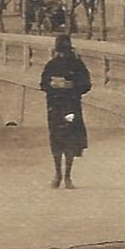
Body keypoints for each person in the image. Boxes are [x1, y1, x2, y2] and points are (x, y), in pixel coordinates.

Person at [39, 33, 91, 189]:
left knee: (69, 140)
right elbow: (43, 84)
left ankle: (67, 175)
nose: (63, 54)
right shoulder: (51, 65)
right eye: (61, 51)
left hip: (71, 106)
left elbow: (87, 84)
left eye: (65, 50)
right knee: (56, 140)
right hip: (55, 106)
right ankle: (58, 174)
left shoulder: (77, 65)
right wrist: (52, 85)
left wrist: (73, 86)